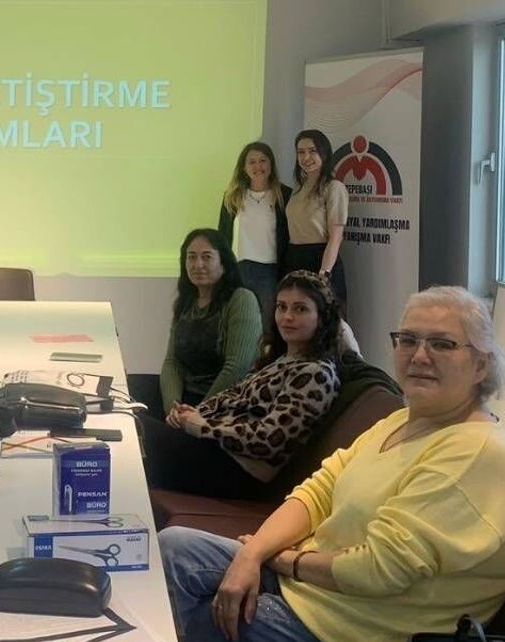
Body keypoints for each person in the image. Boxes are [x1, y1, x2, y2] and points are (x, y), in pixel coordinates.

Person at [159, 285, 505, 642]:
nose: (419, 355)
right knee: (173, 548)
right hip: (315, 592)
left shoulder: (474, 453)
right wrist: (254, 554)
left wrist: (282, 561)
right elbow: (319, 490)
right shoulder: (404, 420)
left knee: (194, 621)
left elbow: (376, 569)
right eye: (408, 340)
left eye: (442, 344)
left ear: (481, 364)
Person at [141, 271, 343, 500]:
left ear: (322, 317)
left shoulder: (316, 373)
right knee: (130, 416)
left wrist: (200, 425)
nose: (287, 317)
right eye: (281, 307)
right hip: (215, 449)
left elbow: (269, 440)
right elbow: (232, 398)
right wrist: (193, 414)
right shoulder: (280, 359)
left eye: (300, 309)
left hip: (236, 472)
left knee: (135, 428)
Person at [129, 229, 262, 416]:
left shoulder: (242, 299)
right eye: (191, 257)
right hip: (187, 399)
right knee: (127, 389)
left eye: (207, 257)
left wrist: (198, 413)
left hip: (223, 405)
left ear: (224, 263)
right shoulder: (186, 302)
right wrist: (173, 406)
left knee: (137, 423)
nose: (198, 264)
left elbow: (237, 367)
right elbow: (172, 362)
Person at [218, 141, 293, 333]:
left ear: (271, 164)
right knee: (239, 325)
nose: (258, 166)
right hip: (238, 269)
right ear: (243, 167)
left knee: (268, 327)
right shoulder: (232, 196)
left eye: (263, 160)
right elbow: (222, 237)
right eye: (251, 162)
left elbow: (289, 236)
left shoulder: (284, 195)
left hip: (269, 272)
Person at [285, 129, 349, 308]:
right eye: (301, 152)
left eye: (312, 151)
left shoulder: (334, 188)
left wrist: (324, 274)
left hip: (321, 259)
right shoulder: (298, 188)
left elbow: (336, 238)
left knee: (324, 318)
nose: (306, 157)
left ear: (324, 153)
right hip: (294, 259)